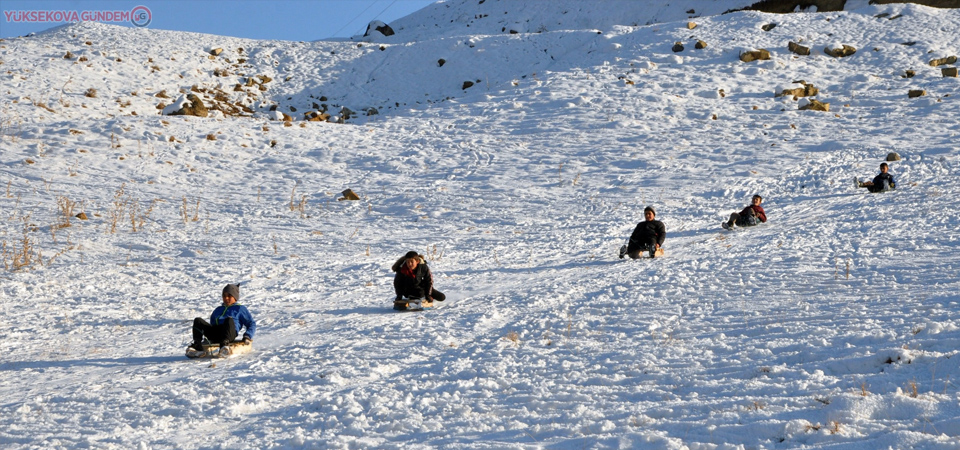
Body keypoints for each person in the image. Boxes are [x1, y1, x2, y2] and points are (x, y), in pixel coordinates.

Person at [189, 284, 257, 357]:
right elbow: (212, 323)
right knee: (198, 320)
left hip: (229, 333)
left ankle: (224, 346)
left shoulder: (240, 309)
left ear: (235, 297)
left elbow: (251, 323)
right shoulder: (218, 309)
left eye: (229, 296)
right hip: (216, 333)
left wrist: (247, 336)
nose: (226, 298)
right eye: (224, 296)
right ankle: (197, 346)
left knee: (229, 319)